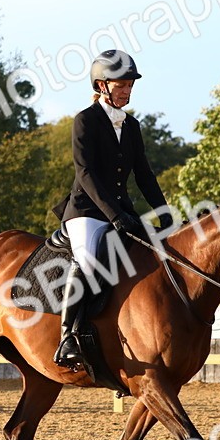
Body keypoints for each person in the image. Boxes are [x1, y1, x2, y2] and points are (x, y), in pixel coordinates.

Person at [51, 49, 173, 370]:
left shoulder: (131, 126)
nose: (127, 90)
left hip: (122, 212)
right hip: (87, 212)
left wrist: (164, 212)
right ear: (102, 85)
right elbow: (85, 174)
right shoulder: (85, 121)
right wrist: (114, 214)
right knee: (88, 260)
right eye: (121, 85)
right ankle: (68, 337)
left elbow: (144, 174)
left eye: (130, 85)